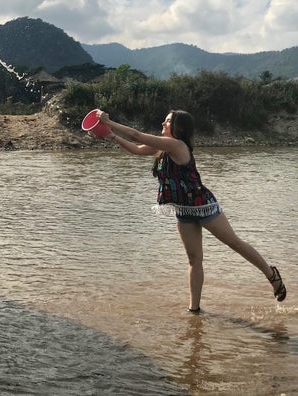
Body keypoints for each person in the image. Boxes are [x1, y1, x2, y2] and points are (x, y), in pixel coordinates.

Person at [96, 108, 286, 313]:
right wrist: (111, 136)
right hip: (184, 210)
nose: (162, 124)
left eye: (167, 122)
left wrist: (110, 122)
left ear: (179, 128)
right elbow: (137, 149)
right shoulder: (162, 148)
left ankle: (271, 274)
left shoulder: (176, 145)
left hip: (203, 206)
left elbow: (136, 135)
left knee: (234, 243)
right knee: (194, 259)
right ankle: (194, 309)